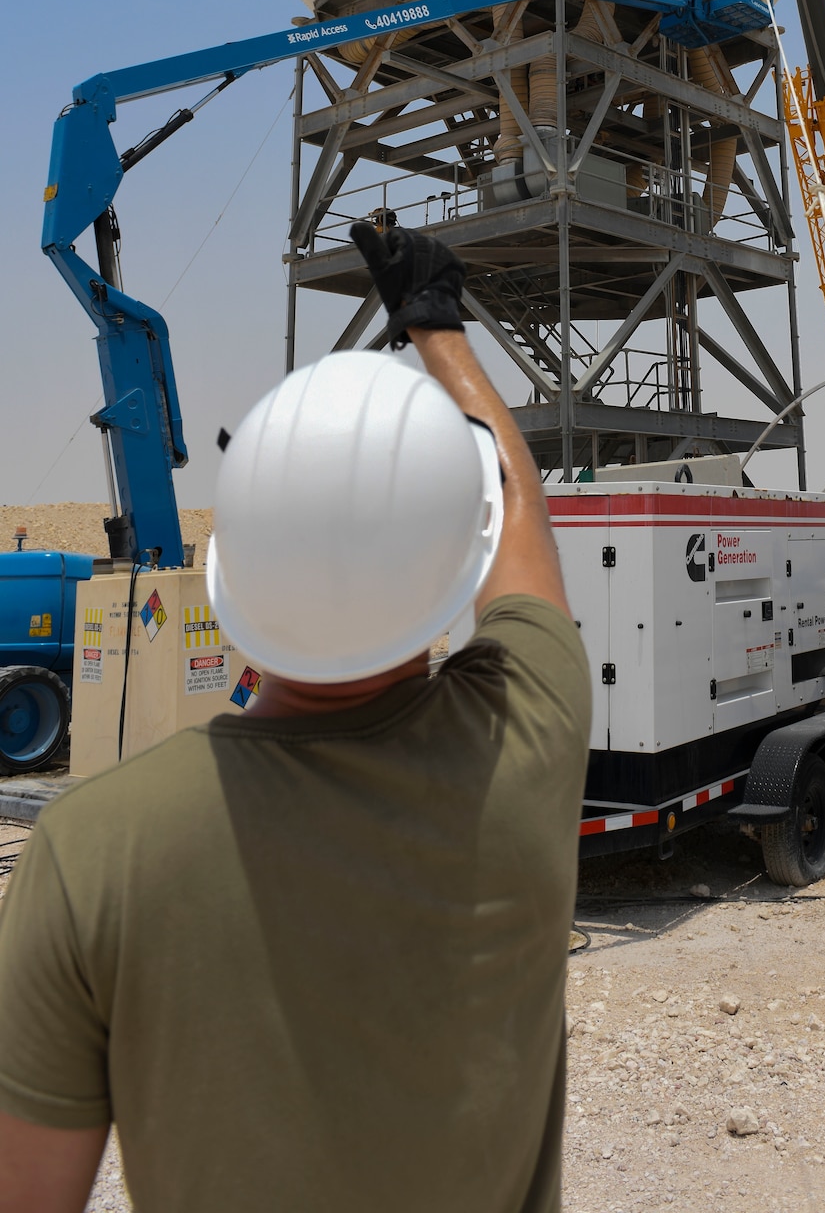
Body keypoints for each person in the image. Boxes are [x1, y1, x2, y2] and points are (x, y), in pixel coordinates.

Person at [0, 226, 590, 1213]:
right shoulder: (527, 742)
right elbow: (513, 513)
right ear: (445, 567)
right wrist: (440, 331)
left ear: (235, 569)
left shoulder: (92, 852)